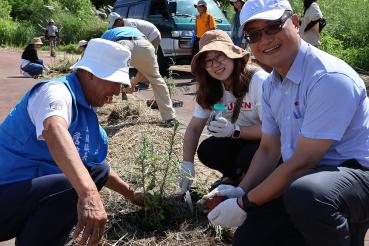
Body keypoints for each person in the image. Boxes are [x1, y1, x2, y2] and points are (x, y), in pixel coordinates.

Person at [203, 0, 369, 245]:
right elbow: (269, 149)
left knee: (308, 196)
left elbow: (304, 162)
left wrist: (244, 202)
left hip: (354, 177)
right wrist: (242, 189)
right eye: (255, 34)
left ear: (295, 22)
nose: (265, 40)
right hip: (307, 179)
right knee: (249, 240)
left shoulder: (327, 78)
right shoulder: (272, 85)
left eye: (273, 27)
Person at [0, 38, 145, 246]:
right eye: (114, 82)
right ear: (89, 74)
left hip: (21, 198)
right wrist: (89, 195)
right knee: (71, 185)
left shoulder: (86, 112)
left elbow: (94, 166)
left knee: (98, 171)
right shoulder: (56, 92)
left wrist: (133, 195)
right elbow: (54, 130)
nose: (117, 91)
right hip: (4, 193)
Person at [178, 29, 269, 194]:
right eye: (208, 61)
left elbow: (272, 131)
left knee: (247, 156)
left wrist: (234, 131)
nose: (215, 65)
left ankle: (247, 184)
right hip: (237, 138)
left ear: (232, 55)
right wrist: (187, 164)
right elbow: (194, 128)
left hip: (264, 142)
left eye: (220, 56)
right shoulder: (212, 87)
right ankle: (235, 177)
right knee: (208, 150)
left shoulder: (258, 81)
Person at [101, 26, 176, 124]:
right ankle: (169, 117)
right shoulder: (130, 29)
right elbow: (143, 69)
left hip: (122, 44)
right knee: (156, 80)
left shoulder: (104, 35)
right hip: (145, 45)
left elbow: (102, 64)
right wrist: (133, 83)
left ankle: (99, 104)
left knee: (109, 74)